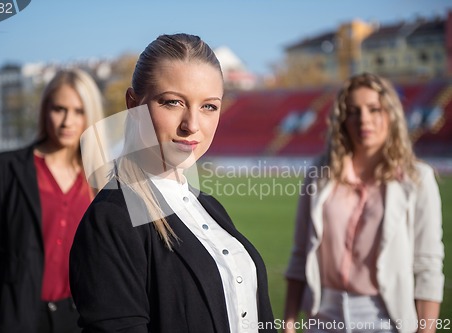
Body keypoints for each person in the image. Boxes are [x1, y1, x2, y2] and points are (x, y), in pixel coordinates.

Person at [69, 33, 276, 333]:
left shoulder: (209, 206)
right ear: (133, 105)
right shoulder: (112, 220)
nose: (192, 125)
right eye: (173, 102)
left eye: (209, 107)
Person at [283, 72, 444, 333]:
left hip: (385, 317)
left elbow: (428, 264)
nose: (364, 120)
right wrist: (288, 324)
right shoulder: (320, 173)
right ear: (343, 119)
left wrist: (426, 330)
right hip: (323, 316)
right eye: (354, 111)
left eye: (374, 109)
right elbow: (300, 253)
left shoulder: (417, 178)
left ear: (391, 115)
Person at [0, 68, 105, 333]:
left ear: (91, 115)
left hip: (81, 319)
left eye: (78, 111)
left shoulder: (100, 178)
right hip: (19, 315)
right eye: (59, 109)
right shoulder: (7, 167)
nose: (67, 121)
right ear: (45, 110)